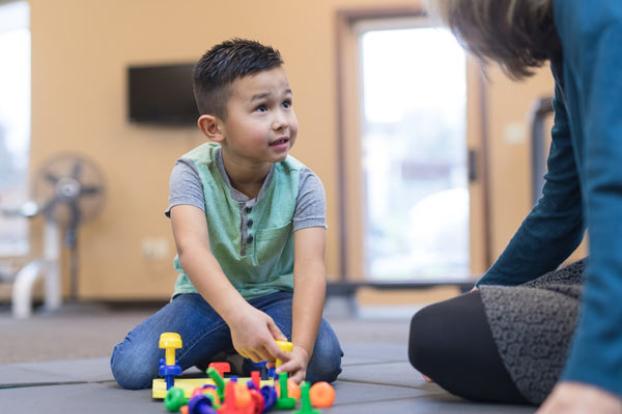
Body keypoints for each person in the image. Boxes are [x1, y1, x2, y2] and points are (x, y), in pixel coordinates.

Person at [409, 1, 622, 413]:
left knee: (441, 333)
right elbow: (563, 204)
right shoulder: (568, 45)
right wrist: (488, 289)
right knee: (459, 316)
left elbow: (615, 187)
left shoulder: (592, 11)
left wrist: (598, 376)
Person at [110, 39, 342, 389]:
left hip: (275, 298)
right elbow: (193, 252)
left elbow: (311, 269)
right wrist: (237, 315)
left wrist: (304, 350)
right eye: (262, 109)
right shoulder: (190, 172)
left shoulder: (305, 183)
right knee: (132, 367)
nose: (282, 121)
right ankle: (232, 344)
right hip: (204, 300)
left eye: (286, 104)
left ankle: (228, 352)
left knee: (323, 360)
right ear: (214, 128)